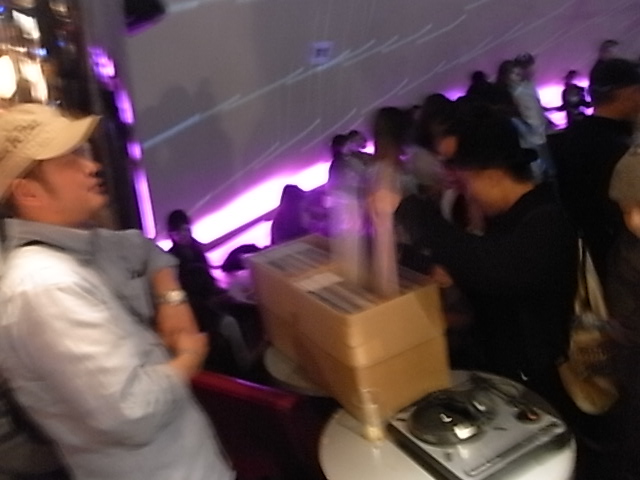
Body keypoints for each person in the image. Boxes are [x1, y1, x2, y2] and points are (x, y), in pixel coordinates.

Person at [0, 104, 234, 480]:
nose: (91, 166)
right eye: (69, 160)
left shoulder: (82, 245)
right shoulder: (45, 287)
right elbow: (131, 411)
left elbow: (141, 247)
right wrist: (189, 356)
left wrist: (170, 297)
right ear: (29, 194)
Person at [396, 107, 578, 413]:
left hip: (542, 383)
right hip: (509, 372)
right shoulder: (509, 217)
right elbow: (481, 268)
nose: (468, 195)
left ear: (493, 177)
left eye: (468, 184)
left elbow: (497, 271)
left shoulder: (545, 220)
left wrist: (410, 209)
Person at [556, 58, 640, 279]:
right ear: (627, 93)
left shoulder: (575, 136)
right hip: (621, 254)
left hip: (593, 248)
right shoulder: (617, 146)